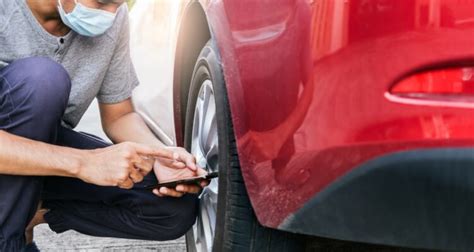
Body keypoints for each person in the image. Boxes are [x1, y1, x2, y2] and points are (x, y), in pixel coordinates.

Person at [0, 0, 209, 251]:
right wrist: (84, 163)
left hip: (45, 155)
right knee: (42, 81)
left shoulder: (114, 20)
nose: (111, 14)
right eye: (102, 3)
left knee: (172, 208)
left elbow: (119, 115)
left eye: (118, 4)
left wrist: (159, 155)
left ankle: (27, 213)